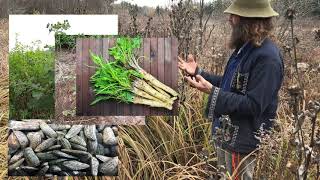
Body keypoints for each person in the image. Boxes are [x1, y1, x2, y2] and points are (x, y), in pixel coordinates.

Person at [178, 0, 284, 179]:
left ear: (248, 20)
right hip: (226, 136)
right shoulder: (246, 48)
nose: (229, 19)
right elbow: (229, 84)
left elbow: (254, 105)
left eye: (234, 15)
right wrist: (198, 72)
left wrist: (212, 92)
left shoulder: (268, 58)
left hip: (242, 143)